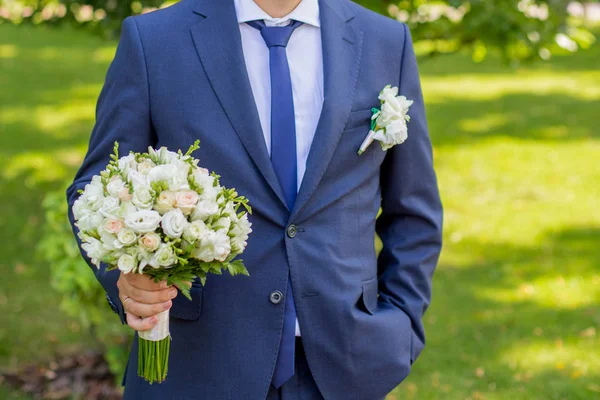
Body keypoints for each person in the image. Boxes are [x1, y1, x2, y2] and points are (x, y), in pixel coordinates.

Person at [66, 0, 443, 398]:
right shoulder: (154, 40)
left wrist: (401, 325)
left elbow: (413, 211)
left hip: (343, 363)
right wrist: (128, 279)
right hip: (198, 364)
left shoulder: (385, 40)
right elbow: (96, 185)